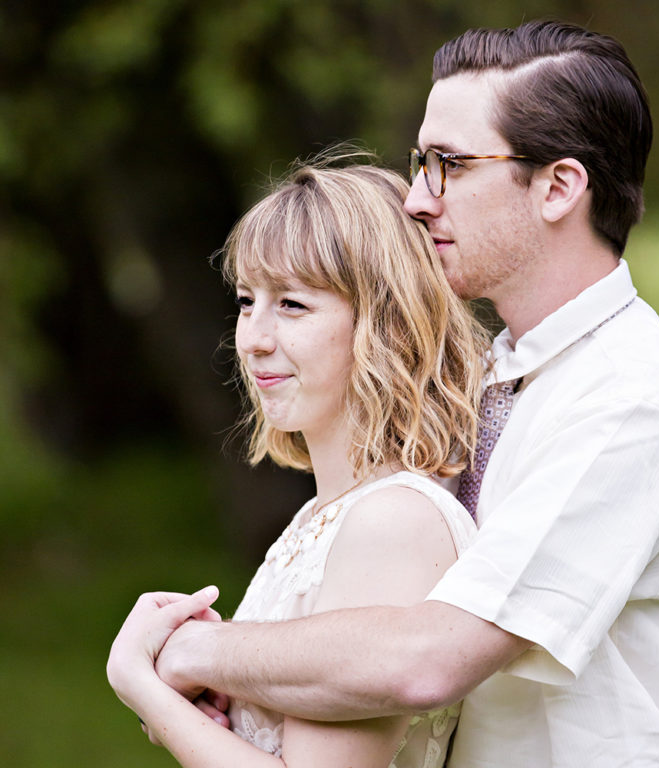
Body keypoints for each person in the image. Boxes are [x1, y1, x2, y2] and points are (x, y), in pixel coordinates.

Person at [152, 20, 659, 767]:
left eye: (449, 164)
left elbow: (430, 660)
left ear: (558, 186)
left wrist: (195, 654)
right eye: (420, 164)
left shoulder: (633, 401)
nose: (415, 199)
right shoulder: (497, 387)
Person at [106, 159, 492, 767]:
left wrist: (144, 688)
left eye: (291, 304)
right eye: (245, 300)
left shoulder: (393, 521)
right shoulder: (323, 514)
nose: (254, 337)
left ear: (383, 324)